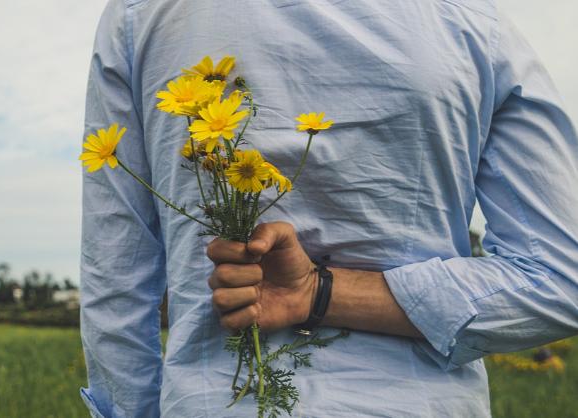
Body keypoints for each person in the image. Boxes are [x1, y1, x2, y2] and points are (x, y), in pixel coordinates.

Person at [79, 0, 578, 417]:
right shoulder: (472, 22)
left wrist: (314, 291)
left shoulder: (142, 15)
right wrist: (327, 295)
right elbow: (561, 280)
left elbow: (115, 279)